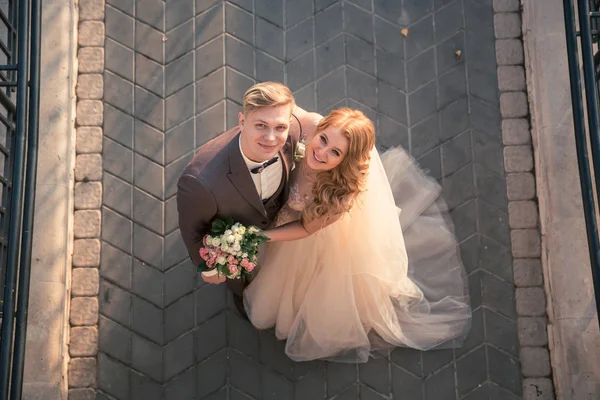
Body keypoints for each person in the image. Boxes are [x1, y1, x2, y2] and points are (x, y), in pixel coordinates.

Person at [243, 108, 472, 363]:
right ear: (319, 129)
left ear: (345, 160)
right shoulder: (309, 123)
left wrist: (265, 236)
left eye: (336, 153)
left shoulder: (339, 195)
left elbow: (306, 229)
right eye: (324, 140)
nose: (322, 152)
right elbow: (283, 109)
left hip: (304, 236)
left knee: (288, 274)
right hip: (283, 211)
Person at [176, 81, 319, 317]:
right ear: (242, 121)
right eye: (261, 125)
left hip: (277, 229)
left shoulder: (293, 130)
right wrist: (209, 268)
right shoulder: (199, 182)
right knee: (243, 286)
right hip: (234, 249)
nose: (271, 138)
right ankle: (244, 298)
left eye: (279, 127)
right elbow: (193, 231)